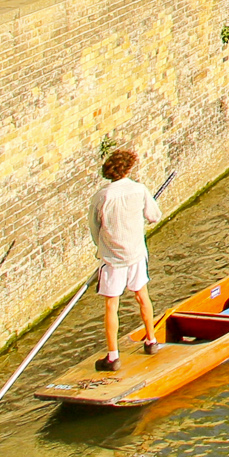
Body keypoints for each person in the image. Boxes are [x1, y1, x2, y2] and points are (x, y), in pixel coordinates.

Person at [90, 147, 162, 370]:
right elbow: (154, 217)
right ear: (128, 168)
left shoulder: (101, 196)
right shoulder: (139, 190)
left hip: (112, 259)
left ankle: (113, 357)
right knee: (142, 296)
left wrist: (101, 248)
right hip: (136, 254)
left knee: (112, 305)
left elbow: (95, 228)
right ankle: (151, 341)